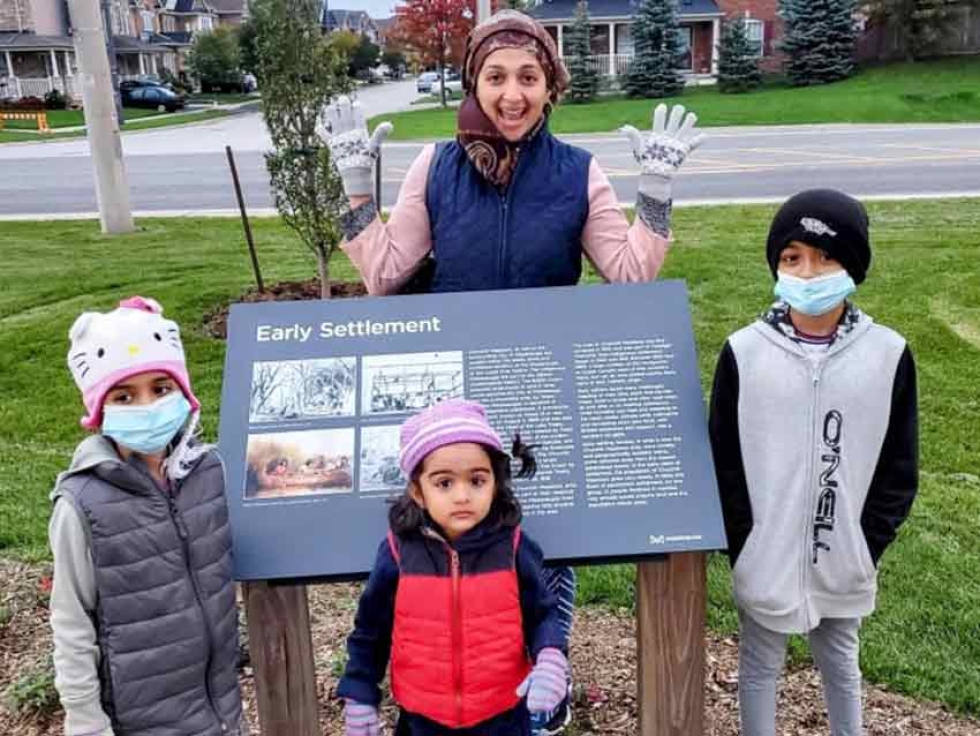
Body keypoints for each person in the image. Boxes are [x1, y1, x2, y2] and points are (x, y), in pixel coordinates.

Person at [322, 11, 705, 731]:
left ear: (550, 85)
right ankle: (447, 686)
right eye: (495, 77)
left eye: (528, 77)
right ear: (474, 81)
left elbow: (628, 278)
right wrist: (355, 192)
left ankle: (543, 677)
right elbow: (383, 272)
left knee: (544, 550)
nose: (512, 95)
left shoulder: (576, 171)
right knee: (451, 549)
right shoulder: (435, 166)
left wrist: (652, 194)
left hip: (539, 392)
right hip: (456, 404)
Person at [708, 189, 919, 736]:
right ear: (776, 264)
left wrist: (865, 542)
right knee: (759, 665)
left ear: (853, 266)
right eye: (793, 257)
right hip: (765, 552)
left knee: (842, 664)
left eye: (827, 257)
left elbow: (899, 467)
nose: (809, 271)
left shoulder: (887, 354)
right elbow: (724, 461)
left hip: (844, 553)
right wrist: (743, 541)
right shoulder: (744, 352)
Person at [49, 296, 243, 736]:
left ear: (183, 392)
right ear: (100, 409)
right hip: (141, 721)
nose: (147, 405)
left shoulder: (208, 472)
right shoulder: (81, 504)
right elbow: (71, 621)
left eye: (161, 388)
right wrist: (85, 721)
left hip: (220, 707)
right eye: (124, 395)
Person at [337, 399, 567, 735]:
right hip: (423, 719)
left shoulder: (513, 547)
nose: (462, 496)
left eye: (477, 481)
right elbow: (370, 631)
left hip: (502, 716)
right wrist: (359, 694)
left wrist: (550, 657)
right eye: (444, 483)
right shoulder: (398, 553)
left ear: (494, 482)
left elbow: (542, 614)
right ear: (418, 490)